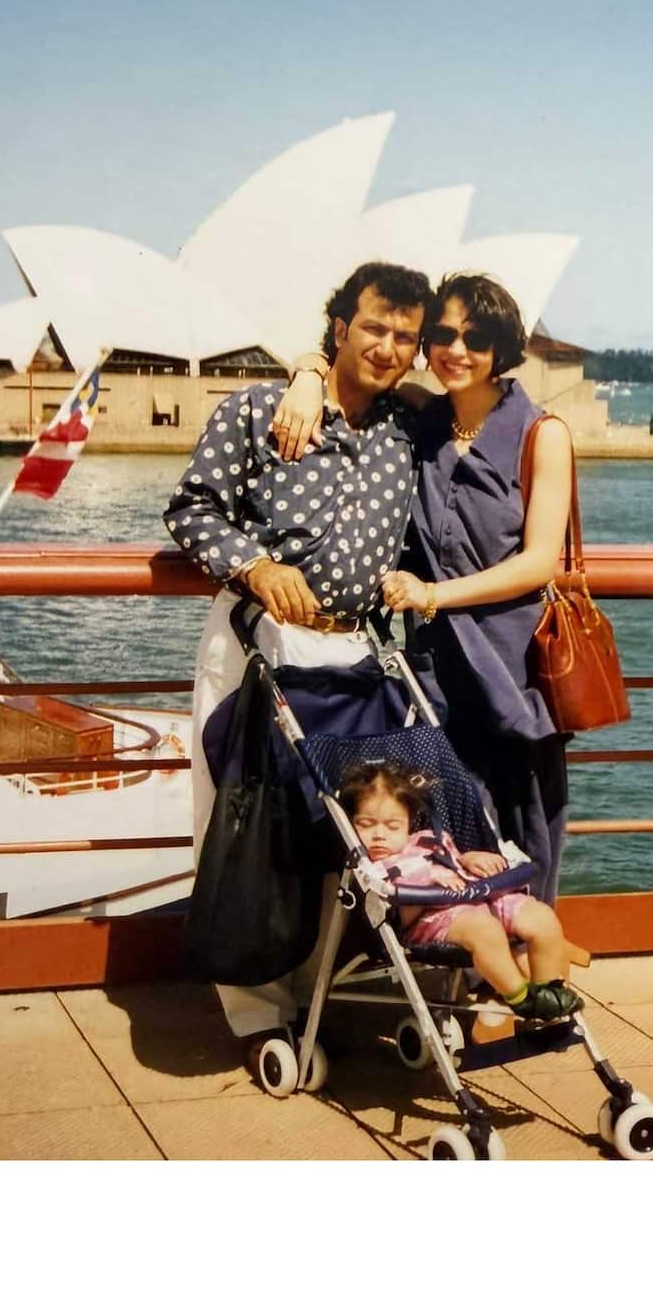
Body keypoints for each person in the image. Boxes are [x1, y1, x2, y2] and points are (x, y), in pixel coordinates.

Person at [163, 260, 432, 1066]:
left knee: (344, 828)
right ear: (340, 326)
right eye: (374, 327)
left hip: (356, 652)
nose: (387, 347)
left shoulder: (403, 430)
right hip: (259, 647)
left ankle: (319, 990)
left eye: (405, 337)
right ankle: (257, 1012)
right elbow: (191, 508)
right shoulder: (256, 411)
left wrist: (311, 373)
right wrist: (254, 565)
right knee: (248, 823)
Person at [274, 271, 574, 906]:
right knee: (450, 823)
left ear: (503, 349)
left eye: (476, 338)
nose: (456, 351)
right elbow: (339, 368)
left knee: (525, 825)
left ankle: (518, 976)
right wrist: (305, 375)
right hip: (435, 674)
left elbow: (541, 562)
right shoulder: (419, 422)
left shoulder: (540, 434)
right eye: (442, 335)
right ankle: (465, 963)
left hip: (512, 667)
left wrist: (433, 595)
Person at [342, 758, 582, 1021]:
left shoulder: (428, 840)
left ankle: (548, 993)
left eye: (392, 826)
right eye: (366, 824)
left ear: (410, 822)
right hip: (435, 920)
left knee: (541, 916)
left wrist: (469, 859)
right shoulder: (373, 867)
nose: (379, 835)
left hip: (481, 896)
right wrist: (427, 884)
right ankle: (522, 999)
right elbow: (399, 919)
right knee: (485, 929)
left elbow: (454, 858)